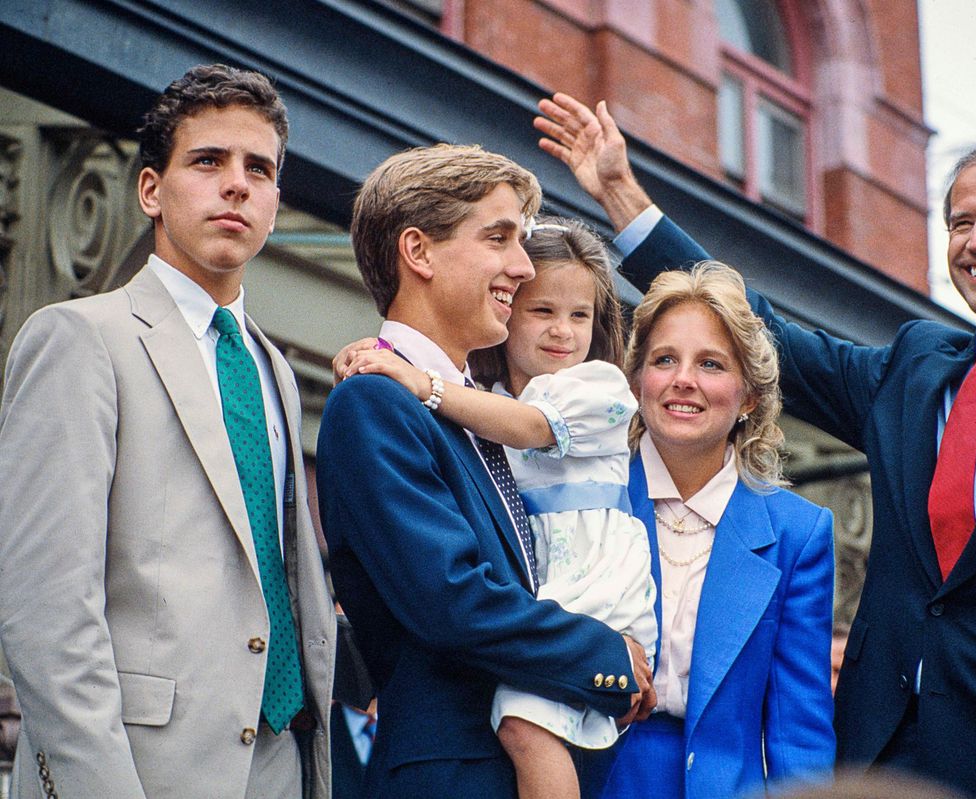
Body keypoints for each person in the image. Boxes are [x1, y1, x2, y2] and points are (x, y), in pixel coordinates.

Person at [533, 92, 976, 799]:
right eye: (960, 222)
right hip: (875, 759)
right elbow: (759, 332)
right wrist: (618, 192)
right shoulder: (912, 367)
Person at [0, 64, 336, 798]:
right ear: (151, 189)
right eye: (208, 160)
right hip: (140, 773)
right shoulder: (80, 338)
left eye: (260, 168)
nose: (237, 183)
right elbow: (46, 613)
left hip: (281, 762)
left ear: (276, 202)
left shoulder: (273, 368)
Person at [315, 144, 653, 799]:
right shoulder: (374, 402)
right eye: (498, 237)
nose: (522, 267)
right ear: (419, 252)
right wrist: (605, 655)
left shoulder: (483, 411)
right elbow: (452, 600)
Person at [585, 262, 834, 798]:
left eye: (712, 364)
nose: (684, 380)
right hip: (584, 780)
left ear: (748, 396)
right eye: (665, 359)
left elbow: (799, 730)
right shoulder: (584, 494)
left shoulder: (798, 533)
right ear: (636, 381)